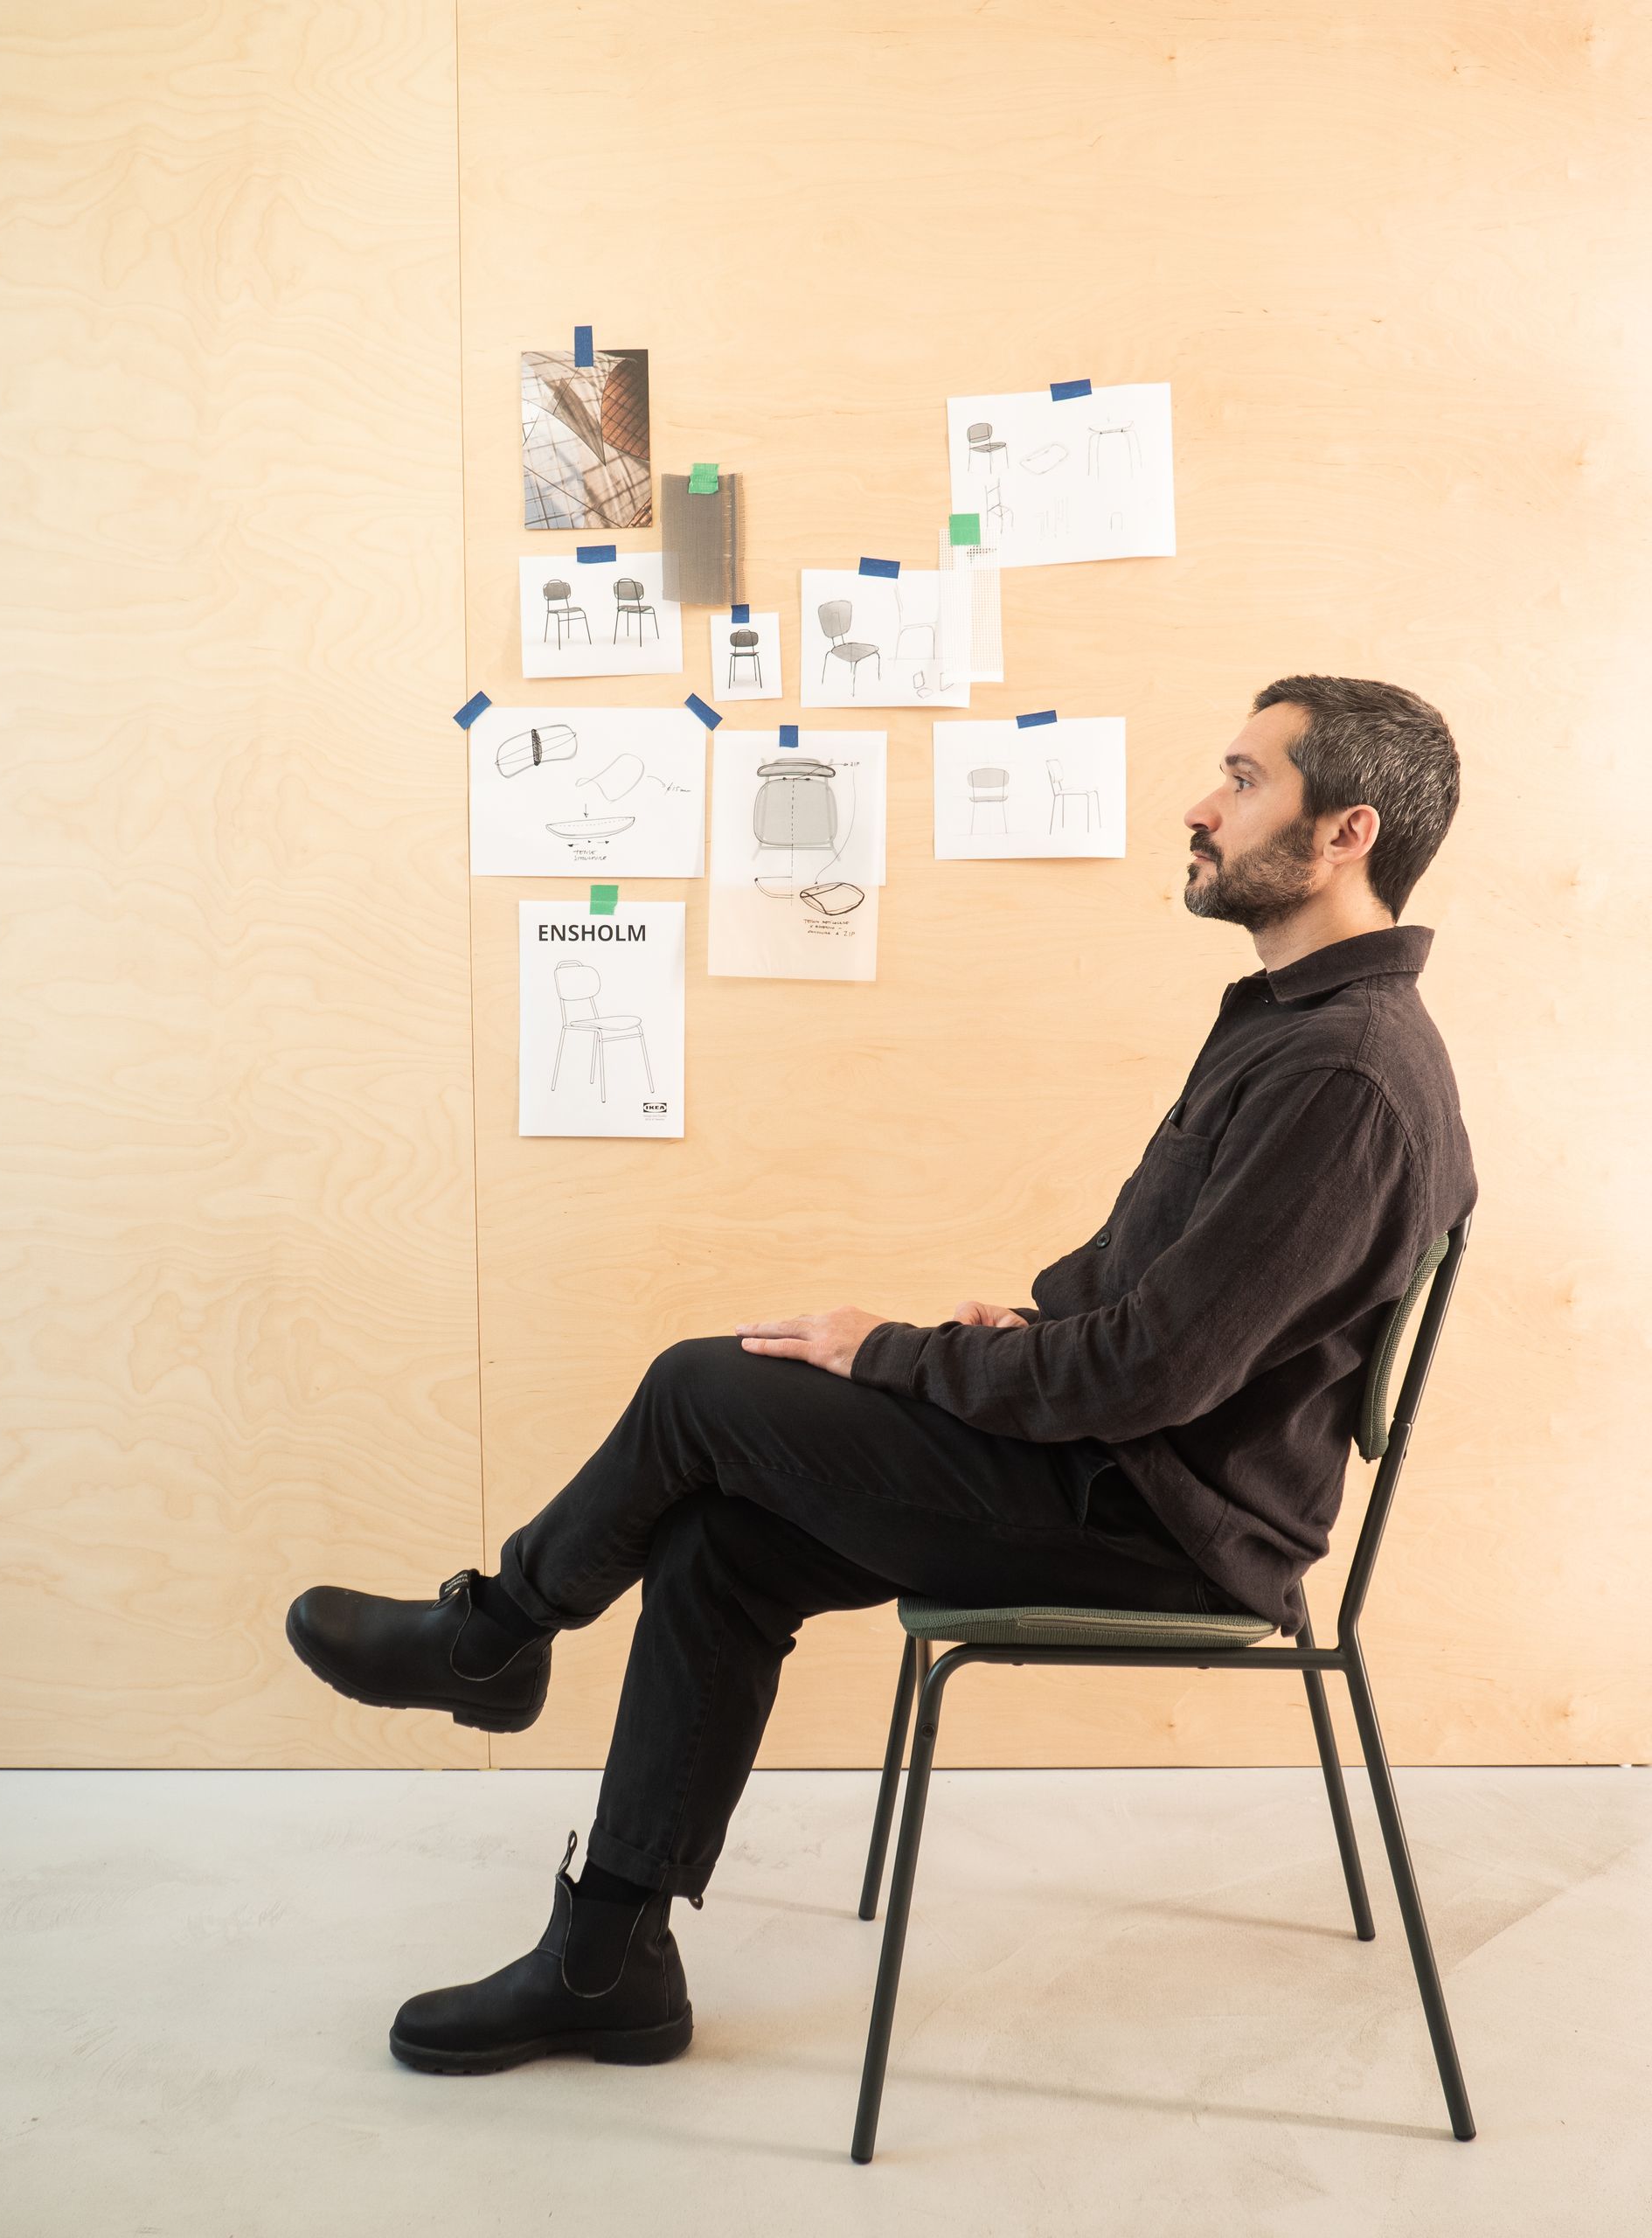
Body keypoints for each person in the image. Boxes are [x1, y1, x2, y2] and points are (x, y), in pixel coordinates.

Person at [287, 673, 1475, 2077]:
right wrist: (1020, 1337)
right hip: (1128, 1473)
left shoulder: (1340, 1072)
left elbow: (1158, 1369)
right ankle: (607, 1960)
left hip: (1162, 1527)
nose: (1200, 808)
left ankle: (491, 1637)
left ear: (1346, 833)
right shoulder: (1295, 1028)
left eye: (1243, 778)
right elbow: (1171, 1303)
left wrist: (901, 1355)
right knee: (725, 1539)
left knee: (699, 1387)